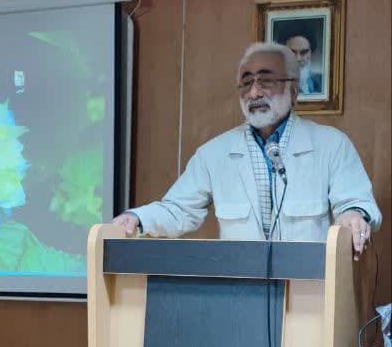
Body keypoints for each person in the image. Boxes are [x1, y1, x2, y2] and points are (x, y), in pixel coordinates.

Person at [114, 42, 381, 260]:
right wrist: (136, 218)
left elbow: (356, 202)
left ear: (293, 91)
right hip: (241, 290)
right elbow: (178, 211)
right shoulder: (214, 153)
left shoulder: (331, 144)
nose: (254, 93)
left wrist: (354, 215)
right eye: (246, 83)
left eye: (266, 81)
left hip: (311, 290)